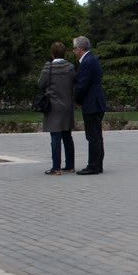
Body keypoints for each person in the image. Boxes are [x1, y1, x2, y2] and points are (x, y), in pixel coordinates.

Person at [39, 41, 77, 175]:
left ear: (52, 53)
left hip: (53, 106)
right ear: (64, 53)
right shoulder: (70, 67)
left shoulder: (48, 67)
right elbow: (75, 82)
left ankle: (56, 167)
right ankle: (70, 165)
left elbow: (41, 84)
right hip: (68, 105)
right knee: (67, 136)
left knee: (55, 136)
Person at [72, 36, 106, 175]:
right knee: (97, 136)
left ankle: (93, 166)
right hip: (96, 101)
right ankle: (98, 164)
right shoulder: (92, 59)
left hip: (92, 103)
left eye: (74, 49)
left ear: (80, 49)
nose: (73, 52)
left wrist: (77, 99)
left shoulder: (86, 62)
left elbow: (82, 85)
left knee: (92, 136)